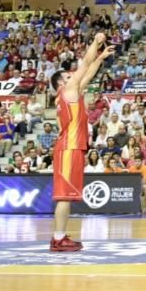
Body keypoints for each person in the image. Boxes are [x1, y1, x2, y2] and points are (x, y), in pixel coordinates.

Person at [49, 32, 116, 252]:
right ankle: (58, 239)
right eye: (68, 75)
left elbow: (88, 73)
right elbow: (84, 64)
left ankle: (60, 235)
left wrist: (100, 58)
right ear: (61, 81)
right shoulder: (67, 90)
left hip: (72, 146)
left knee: (66, 196)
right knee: (63, 196)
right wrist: (95, 42)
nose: (73, 76)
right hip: (68, 147)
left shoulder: (71, 92)